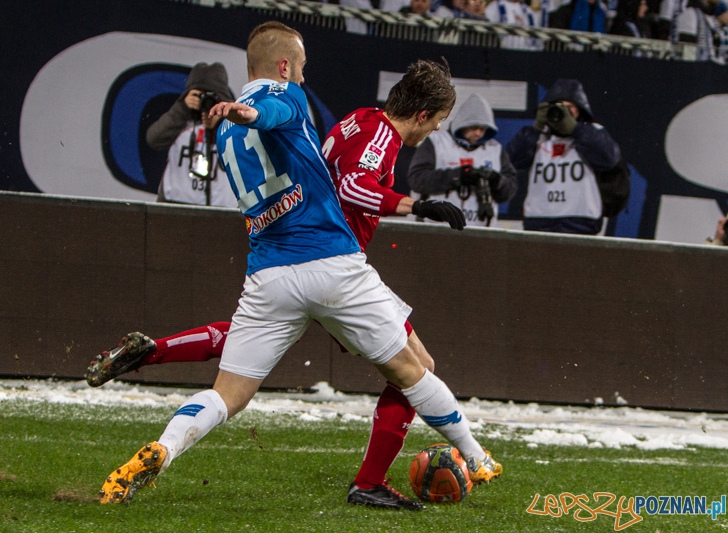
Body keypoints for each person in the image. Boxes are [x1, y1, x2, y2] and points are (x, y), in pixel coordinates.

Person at [96, 21, 501, 508]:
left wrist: (236, 115)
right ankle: (470, 459)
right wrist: (418, 206)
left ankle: (164, 446)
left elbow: (282, 145)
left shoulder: (232, 129)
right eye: (302, 68)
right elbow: (273, 114)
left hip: (269, 271)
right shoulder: (285, 98)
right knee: (414, 370)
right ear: (285, 66)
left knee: (229, 395)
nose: (305, 79)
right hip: (332, 259)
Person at [505, 79, 629, 234]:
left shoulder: (592, 131)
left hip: (581, 220)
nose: (563, 113)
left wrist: (575, 129)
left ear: (580, 110)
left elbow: (609, 158)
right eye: (558, 107)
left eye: (569, 108)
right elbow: (508, 162)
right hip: (539, 220)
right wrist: (536, 127)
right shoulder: (536, 136)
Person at [407, 93, 518, 227]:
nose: (478, 133)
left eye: (482, 129)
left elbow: (510, 189)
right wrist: (458, 176)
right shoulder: (436, 143)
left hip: (480, 229)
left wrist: (496, 181)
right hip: (437, 226)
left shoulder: (495, 149)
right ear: (461, 123)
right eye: (473, 127)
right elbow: (417, 180)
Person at [146, 62, 236, 207]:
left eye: (211, 96)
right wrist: (182, 108)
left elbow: (251, 148)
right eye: (199, 95)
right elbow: (154, 139)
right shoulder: (181, 117)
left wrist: (222, 121)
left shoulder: (233, 121)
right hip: (176, 205)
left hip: (223, 209)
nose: (205, 102)